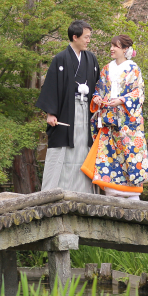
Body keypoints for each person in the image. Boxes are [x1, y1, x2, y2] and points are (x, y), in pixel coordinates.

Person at [83, 34, 148, 200]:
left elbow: (138, 93)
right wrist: (97, 98)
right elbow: (98, 89)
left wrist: (122, 100)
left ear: (125, 49)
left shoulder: (133, 68)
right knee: (109, 155)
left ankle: (132, 193)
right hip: (108, 121)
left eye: (116, 46)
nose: (112, 49)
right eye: (112, 45)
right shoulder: (107, 68)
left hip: (128, 123)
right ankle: (112, 190)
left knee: (130, 154)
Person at [36, 20, 100, 193]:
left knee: (83, 149)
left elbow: (99, 86)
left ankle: (83, 193)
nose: (88, 41)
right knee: (62, 150)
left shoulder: (91, 59)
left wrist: (100, 99)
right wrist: (51, 112)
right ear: (75, 37)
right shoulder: (60, 59)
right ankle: (54, 192)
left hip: (86, 112)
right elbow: (51, 86)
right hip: (65, 113)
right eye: (86, 37)